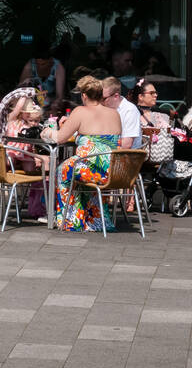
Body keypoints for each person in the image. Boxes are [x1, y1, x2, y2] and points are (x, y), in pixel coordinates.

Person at [43, 75, 122, 232]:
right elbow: (100, 138)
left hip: (90, 166)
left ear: (84, 95)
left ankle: (71, 220)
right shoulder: (114, 113)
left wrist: (47, 132)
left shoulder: (80, 111)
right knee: (75, 170)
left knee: (62, 171)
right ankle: (96, 221)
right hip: (112, 170)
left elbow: (60, 138)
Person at [19, 42, 66, 113]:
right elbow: (20, 91)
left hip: (50, 105)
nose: (40, 66)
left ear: (50, 61)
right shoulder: (30, 65)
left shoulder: (58, 67)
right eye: (37, 64)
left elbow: (60, 96)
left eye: (43, 64)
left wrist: (56, 104)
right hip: (32, 105)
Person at [101, 76, 141, 149]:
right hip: (105, 153)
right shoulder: (105, 108)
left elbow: (126, 144)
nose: (100, 101)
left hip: (125, 156)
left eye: (103, 98)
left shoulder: (130, 110)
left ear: (116, 96)